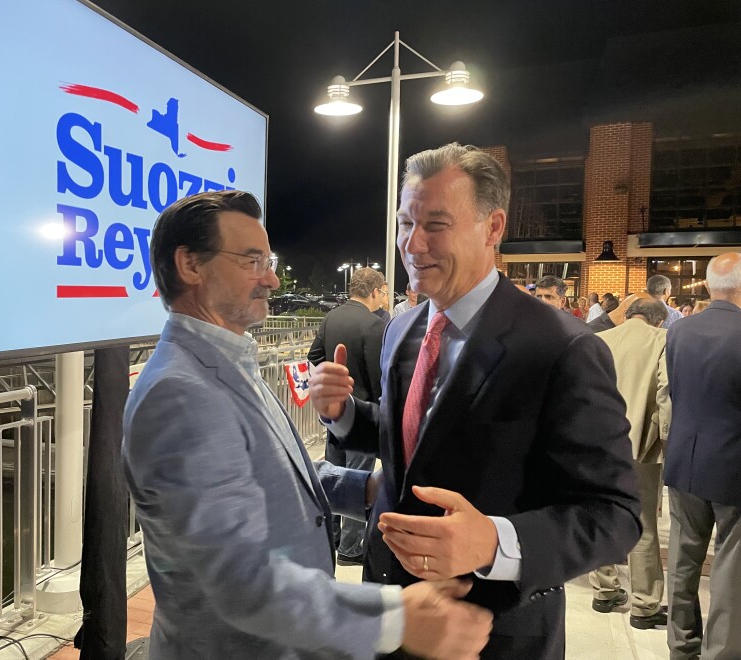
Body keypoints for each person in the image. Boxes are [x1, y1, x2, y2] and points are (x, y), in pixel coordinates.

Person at [123, 190, 492, 659]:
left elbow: (269, 471)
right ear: (190, 266)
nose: (272, 280)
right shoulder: (181, 393)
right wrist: (397, 618)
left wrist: (365, 489)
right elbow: (238, 579)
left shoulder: (224, 362)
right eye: (253, 261)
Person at [309, 143, 641, 659]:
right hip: (395, 611)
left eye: (435, 224)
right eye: (404, 223)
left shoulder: (563, 347)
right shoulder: (402, 329)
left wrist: (493, 541)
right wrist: (345, 414)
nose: (412, 244)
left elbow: (616, 514)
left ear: (493, 228)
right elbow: (415, 437)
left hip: (493, 632)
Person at [663, 252, 741, 660]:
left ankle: (682, 645)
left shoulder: (679, 332)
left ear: (709, 286)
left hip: (684, 457)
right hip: (732, 464)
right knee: (730, 565)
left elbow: (676, 392)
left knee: (683, 556)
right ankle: (722, 651)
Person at [589, 299, 671, 630]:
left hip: (596, 443)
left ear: (627, 314)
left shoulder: (602, 340)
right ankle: (645, 605)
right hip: (640, 446)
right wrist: (667, 442)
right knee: (643, 524)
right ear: (659, 321)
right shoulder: (661, 341)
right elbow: (665, 396)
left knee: (601, 513)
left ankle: (604, 590)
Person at [308, 267, 385, 566]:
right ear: (375, 291)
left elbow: (315, 356)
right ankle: (350, 549)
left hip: (333, 414)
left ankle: (336, 538)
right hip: (361, 417)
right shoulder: (374, 325)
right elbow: (380, 378)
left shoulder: (331, 317)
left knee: (334, 476)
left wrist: (333, 378)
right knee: (356, 481)